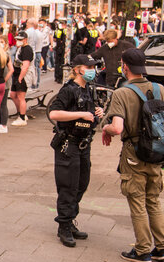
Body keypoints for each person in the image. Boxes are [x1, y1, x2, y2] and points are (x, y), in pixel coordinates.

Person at [101, 49, 164, 262]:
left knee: (137, 200)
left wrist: (106, 128)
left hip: (135, 153)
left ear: (126, 67)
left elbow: (118, 128)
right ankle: (163, 247)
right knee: (153, 199)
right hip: (159, 151)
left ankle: (142, 250)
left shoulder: (122, 93)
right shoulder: (160, 89)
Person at [49, 55, 103, 247]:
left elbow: (90, 114)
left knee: (82, 183)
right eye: (88, 67)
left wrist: (97, 113)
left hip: (83, 143)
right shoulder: (68, 89)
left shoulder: (88, 88)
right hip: (68, 144)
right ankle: (63, 225)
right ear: (78, 69)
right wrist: (80, 114)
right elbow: (54, 113)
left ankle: (70, 219)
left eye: (93, 66)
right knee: (68, 185)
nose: (92, 70)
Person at [10, 31, 33, 127]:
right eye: (17, 39)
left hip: (22, 75)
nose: (18, 41)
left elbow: (26, 65)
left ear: (25, 40)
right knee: (13, 94)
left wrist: (20, 77)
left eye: (20, 39)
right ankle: (21, 113)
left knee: (21, 96)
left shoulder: (27, 49)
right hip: (16, 74)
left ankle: (22, 117)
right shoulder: (20, 49)